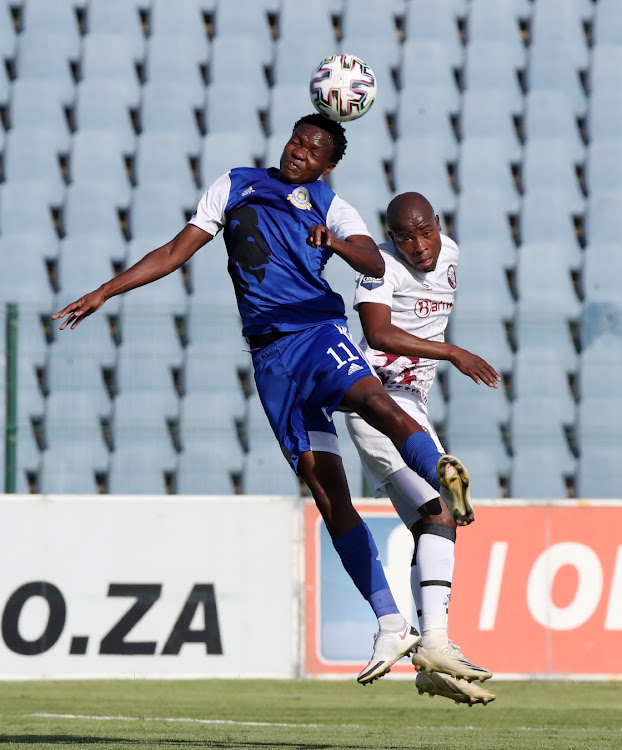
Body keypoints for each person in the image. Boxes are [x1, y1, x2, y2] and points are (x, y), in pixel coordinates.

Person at [53, 114, 472, 685]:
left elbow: (375, 263)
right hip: (271, 360)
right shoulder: (235, 184)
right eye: (297, 141)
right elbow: (176, 251)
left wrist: (339, 243)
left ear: (328, 164)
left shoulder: (331, 204)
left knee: (377, 402)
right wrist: (105, 290)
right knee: (328, 493)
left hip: (317, 334)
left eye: (314, 148)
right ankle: (391, 623)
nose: (300, 151)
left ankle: (440, 468)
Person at [345, 192, 499, 705]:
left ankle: (431, 652)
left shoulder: (450, 254)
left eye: (424, 233)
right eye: (405, 238)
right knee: (439, 509)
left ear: (439, 225)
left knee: (435, 520)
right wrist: (452, 351)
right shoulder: (379, 268)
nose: (418, 247)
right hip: (378, 403)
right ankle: (432, 641)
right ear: (391, 238)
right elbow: (378, 332)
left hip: (414, 404)